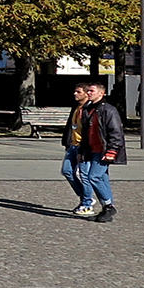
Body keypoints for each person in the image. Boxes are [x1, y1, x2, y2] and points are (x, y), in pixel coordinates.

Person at [77, 80, 125, 222]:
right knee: (102, 178)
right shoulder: (89, 108)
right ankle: (106, 208)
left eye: (92, 91)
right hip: (92, 149)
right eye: (88, 91)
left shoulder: (108, 110)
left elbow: (116, 132)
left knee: (94, 177)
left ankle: (109, 206)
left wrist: (112, 150)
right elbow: (86, 132)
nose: (88, 93)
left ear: (101, 93)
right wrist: (82, 150)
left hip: (103, 150)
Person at [60, 83, 91, 214]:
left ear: (86, 93)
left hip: (82, 146)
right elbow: (70, 126)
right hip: (72, 144)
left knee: (84, 175)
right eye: (75, 91)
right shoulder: (76, 107)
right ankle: (84, 196)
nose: (75, 94)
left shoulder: (89, 109)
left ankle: (87, 203)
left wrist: (84, 149)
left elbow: (89, 131)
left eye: (78, 92)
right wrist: (67, 143)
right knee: (67, 171)